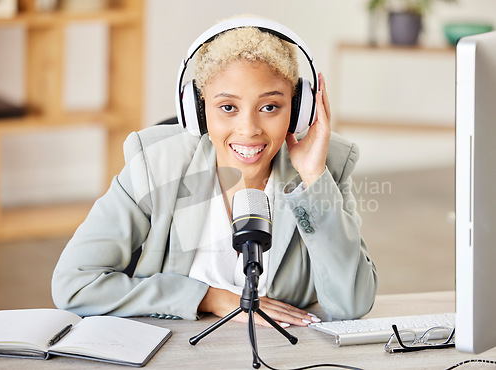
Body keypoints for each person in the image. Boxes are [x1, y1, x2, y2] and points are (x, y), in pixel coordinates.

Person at [52, 17, 377, 328]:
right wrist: (207, 297)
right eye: (227, 107)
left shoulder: (326, 166)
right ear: (198, 109)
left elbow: (350, 304)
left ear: (298, 110)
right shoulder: (155, 165)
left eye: (270, 107)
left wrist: (313, 178)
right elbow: (74, 282)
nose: (248, 129)